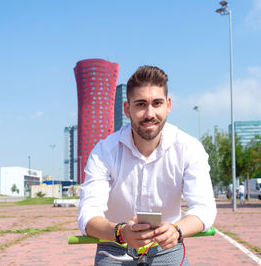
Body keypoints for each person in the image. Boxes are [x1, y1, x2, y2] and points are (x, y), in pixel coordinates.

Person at [77, 65, 217, 265]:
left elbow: (204, 208)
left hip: (167, 245)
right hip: (114, 245)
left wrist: (177, 230)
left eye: (157, 103)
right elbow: (88, 216)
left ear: (168, 105)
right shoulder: (104, 151)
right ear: (127, 108)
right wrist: (121, 232)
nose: (149, 113)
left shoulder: (189, 148)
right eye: (141, 104)